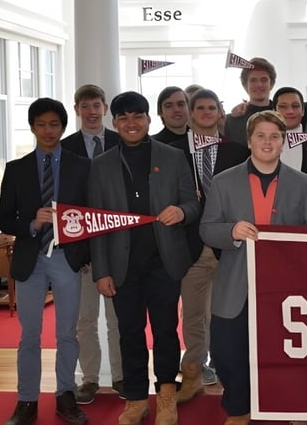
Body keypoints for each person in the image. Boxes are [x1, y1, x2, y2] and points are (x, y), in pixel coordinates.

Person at [200, 110, 307, 425]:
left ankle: (293, 406)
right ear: (249, 141)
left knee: (290, 353)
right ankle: (239, 409)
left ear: (284, 142)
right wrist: (231, 231)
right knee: (230, 353)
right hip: (236, 285)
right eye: (261, 136)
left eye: (274, 136)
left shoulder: (305, 184)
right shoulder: (223, 181)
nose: (267, 142)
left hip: (288, 288)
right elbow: (206, 228)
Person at [88, 91, 201, 425]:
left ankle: (167, 395)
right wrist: (101, 271)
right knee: (129, 332)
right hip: (122, 266)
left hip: (163, 261)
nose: (131, 123)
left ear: (149, 120)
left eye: (138, 116)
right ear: (115, 122)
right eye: (123, 118)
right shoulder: (101, 165)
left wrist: (181, 211)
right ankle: (136, 399)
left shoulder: (173, 156)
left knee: (166, 330)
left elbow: (194, 205)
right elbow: (95, 223)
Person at [0, 98, 91, 425]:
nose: (48, 130)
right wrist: (30, 224)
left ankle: (65, 394)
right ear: (33, 127)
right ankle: (27, 400)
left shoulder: (82, 165)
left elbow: (91, 214)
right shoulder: (17, 168)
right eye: (41, 124)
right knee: (29, 336)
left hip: (66, 258)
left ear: (63, 127)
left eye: (54, 124)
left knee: (67, 332)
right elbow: (4, 219)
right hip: (30, 260)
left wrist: (86, 252)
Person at [170, 89, 250, 403]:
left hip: (230, 246)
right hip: (191, 246)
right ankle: (194, 372)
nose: (205, 112)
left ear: (221, 114)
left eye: (211, 108)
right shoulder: (173, 152)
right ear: (189, 114)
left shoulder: (239, 152)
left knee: (228, 315)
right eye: (199, 107)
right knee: (192, 315)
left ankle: (228, 370)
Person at [60, 84, 124, 404]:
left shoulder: (121, 142)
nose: (92, 111)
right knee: (85, 319)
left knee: (117, 318)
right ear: (77, 110)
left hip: (118, 246)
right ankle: (89, 379)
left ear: (105, 108)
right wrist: (78, 248)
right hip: (81, 248)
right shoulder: (65, 147)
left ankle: (121, 376)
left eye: (97, 105)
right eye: (85, 106)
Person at [272, 86, 307, 178]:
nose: (290, 111)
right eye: (283, 107)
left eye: (295, 106)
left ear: (302, 111)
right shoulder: (262, 145)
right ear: (274, 111)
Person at [225, 57, 277, 144]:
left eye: (264, 80)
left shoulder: (284, 116)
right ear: (245, 85)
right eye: (253, 80)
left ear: (271, 84)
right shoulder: (231, 121)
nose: (259, 85)